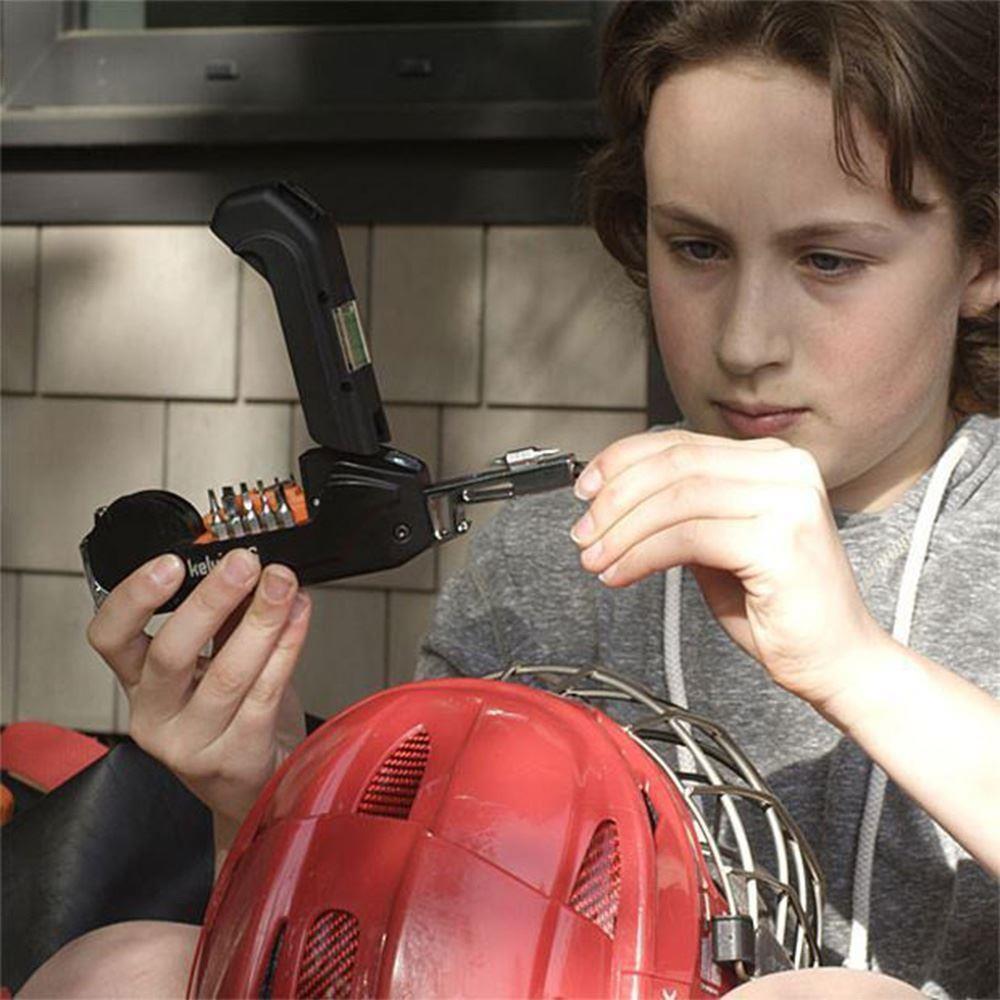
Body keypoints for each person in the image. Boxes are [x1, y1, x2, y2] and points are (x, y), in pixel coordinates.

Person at [20, 1, 997, 997]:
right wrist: (263, 797)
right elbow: (410, 950)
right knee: (119, 973)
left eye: (828, 259)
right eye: (696, 248)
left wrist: (853, 664)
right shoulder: (552, 551)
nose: (746, 342)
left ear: (984, 254)